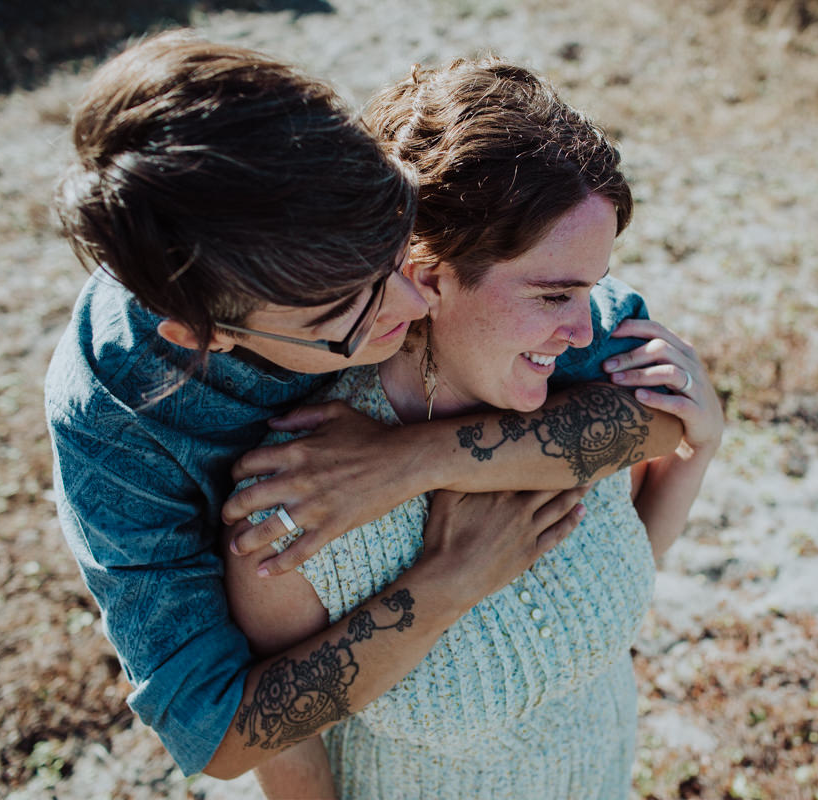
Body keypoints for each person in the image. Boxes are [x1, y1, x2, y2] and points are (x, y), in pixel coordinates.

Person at [45, 31, 687, 780]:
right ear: (207, 336)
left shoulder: (333, 193)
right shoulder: (119, 423)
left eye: (394, 247)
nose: (413, 297)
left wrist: (408, 461)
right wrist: (447, 582)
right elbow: (218, 728)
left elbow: (656, 409)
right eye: (347, 310)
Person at [224, 57, 724, 799]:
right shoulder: (298, 499)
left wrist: (696, 450)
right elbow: (289, 748)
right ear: (427, 279)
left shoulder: (574, 399)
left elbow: (606, 593)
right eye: (555, 294)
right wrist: (451, 583)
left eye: (592, 288)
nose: (586, 330)